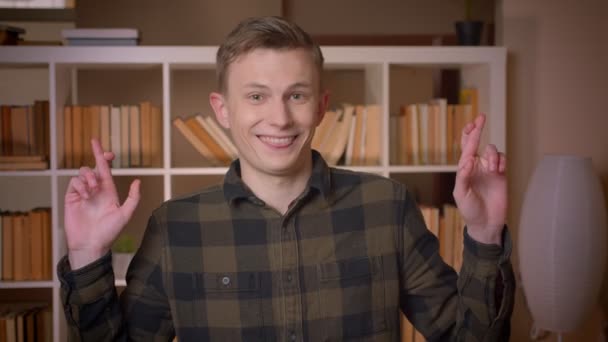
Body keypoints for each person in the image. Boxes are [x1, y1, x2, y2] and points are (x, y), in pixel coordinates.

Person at [58, 16, 514, 342]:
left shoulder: (387, 207)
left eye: (296, 95)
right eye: (257, 96)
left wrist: (485, 232)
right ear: (223, 109)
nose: (279, 118)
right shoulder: (174, 227)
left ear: (320, 105)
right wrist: (85, 256)